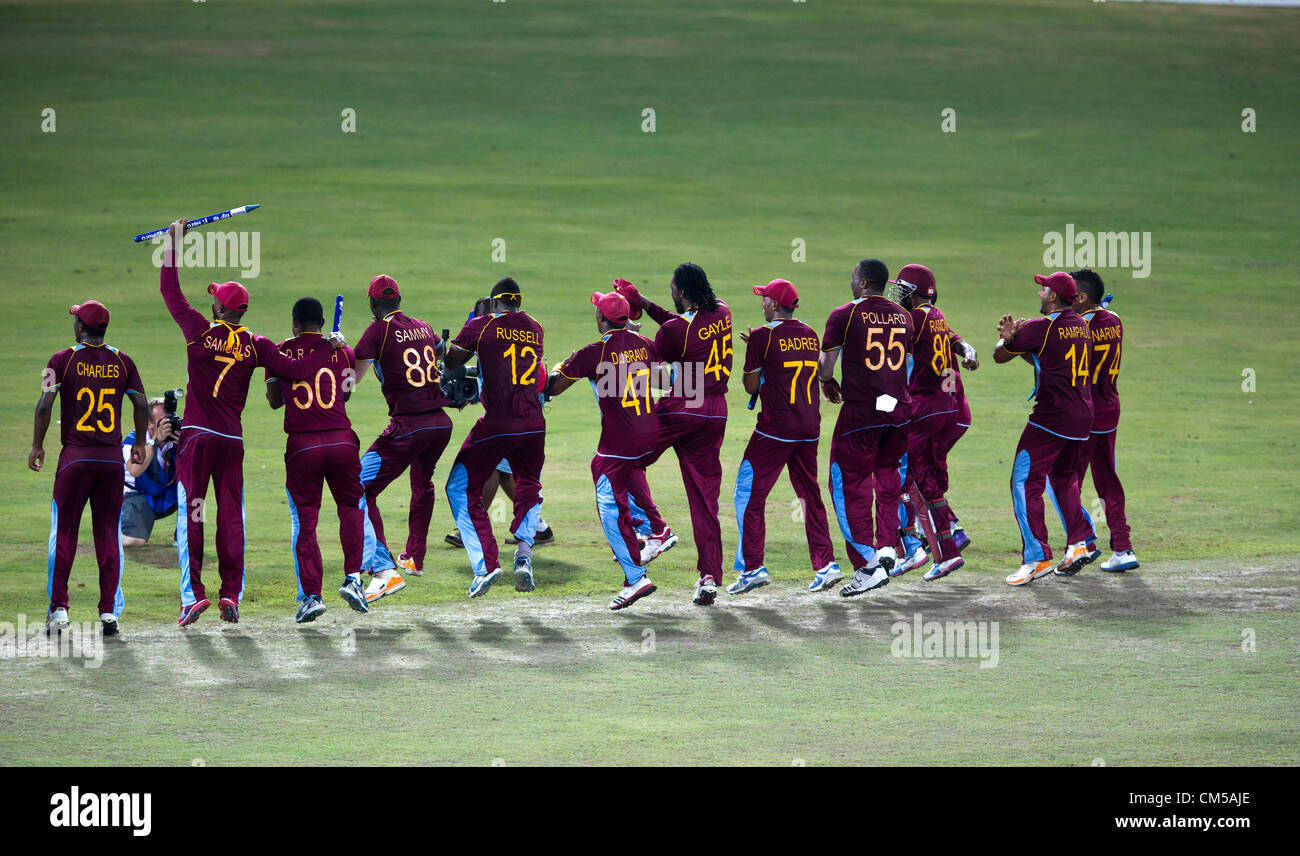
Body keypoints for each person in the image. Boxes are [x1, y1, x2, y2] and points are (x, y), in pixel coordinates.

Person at [159, 218, 345, 626]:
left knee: (192, 513)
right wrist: (330, 348)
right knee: (230, 517)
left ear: (219, 308)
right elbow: (297, 369)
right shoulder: (257, 344)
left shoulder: (198, 331)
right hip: (231, 441)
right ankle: (231, 595)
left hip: (197, 437)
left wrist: (172, 243)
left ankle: (193, 596)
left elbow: (169, 290)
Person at [612, 265, 731, 604]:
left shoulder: (673, 332)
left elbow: (654, 356)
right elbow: (678, 325)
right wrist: (644, 302)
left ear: (680, 293)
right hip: (717, 409)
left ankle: (654, 528)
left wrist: (631, 331)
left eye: (671, 289)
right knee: (704, 499)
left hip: (685, 402)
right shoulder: (722, 311)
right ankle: (709, 577)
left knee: (623, 458)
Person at [30, 300, 149, 636]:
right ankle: (109, 611)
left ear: (81, 327)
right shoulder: (122, 361)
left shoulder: (59, 360)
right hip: (110, 461)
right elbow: (140, 402)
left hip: (75, 459)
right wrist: (139, 442)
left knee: (64, 532)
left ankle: (60, 610)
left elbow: (44, 405)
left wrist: (37, 445)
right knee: (107, 534)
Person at [546, 291, 669, 610]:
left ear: (601, 319)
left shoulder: (594, 352)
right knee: (624, 481)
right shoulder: (644, 345)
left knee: (607, 500)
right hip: (649, 433)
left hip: (619, 442)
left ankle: (635, 576)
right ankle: (649, 531)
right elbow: (665, 379)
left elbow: (552, 389)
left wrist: (560, 366)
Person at [727, 279, 840, 595]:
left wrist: (755, 353)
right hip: (808, 430)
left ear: (775, 305)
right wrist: (761, 354)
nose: (761, 303)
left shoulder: (764, 336)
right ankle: (826, 565)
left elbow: (750, 386)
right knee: (809, 495)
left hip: (775, 431)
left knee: (748, 493)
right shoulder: (808, 332)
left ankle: (752, 568)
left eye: (764, 299)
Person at [266, 297, 371, 623]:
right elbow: (348, 392)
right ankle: (353, 578)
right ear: (323, 322)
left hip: (303, 447)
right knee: (350, 510)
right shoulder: (344, 351)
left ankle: (311, 596)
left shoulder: (281, 350)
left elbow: (274, 401)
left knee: (305, 522)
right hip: (342, 441)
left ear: (295, 322)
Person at [352, 274, 454, 603]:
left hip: (407, 426)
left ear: (373, 304)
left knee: (358, 485)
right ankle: (413, 558)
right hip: (440, 423)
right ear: (399, 300)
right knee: (422, 484)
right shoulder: (423, 327)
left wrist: (336, 351)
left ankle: (384, 571)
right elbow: (439, 351)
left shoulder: (377, 330)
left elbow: (349, 382)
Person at [443, 277, 547, 598]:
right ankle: (524, 557)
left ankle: (486, 565)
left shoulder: (482, 325)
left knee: (459, 487)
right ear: (517, 301)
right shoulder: (536, 328)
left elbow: (450, 363)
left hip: (498, 423)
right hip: (534, 424)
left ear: (494, 302)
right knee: (528, 486)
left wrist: (459, 340)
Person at [816, 259, 914, 597]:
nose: (851, 281)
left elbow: (827, 365)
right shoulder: (904, 315)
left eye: (853, 277)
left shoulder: (845, 314)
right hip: (898, 410)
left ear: (863, 282)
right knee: (887, 474)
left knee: (845, 484)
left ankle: (867, 566)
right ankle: (888, 547)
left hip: (863, 413)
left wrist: (827, 382)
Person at [993, 271, 1095, 585]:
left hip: (1052, 417)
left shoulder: (1042, 327)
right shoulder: (1080, 324)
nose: (1039, 293)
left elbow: (998, 356)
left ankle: (1037, 557)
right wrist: (1026, 345)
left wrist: (1008, 337)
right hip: (1083, 416)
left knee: (1023, 481)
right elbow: (1049, 360)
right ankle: (1079, 544)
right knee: (1064, 478)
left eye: (1043, 289)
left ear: (1053, 296)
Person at [889, 264, 971, 582]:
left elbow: (890, 359)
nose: (897, 294)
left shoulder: (911, 318)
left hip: (923, 409)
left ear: (912, 292)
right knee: (919, 481)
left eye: (902, 289)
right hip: (947, 408)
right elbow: (953, 339)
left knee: (901, 476)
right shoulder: (935, 315)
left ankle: (918, 549)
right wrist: (968, 351)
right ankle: (938, 547)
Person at [1064, 269, 1137, 573]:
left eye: (1069, 295)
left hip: (1084, 411)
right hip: (1110, 409)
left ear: (1081, 298)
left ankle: (1081, 545)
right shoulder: (1115, 320)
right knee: (1107, 479)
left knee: (1067, 481)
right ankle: (1122, 547)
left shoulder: (1078, 327)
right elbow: (1100, 321)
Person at [121, 397, 179, 548]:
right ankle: (108, 529)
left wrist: (186, 447)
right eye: (163, 422)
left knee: (196, 493)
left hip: (164, 494)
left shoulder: (174, 439)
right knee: (134, 541)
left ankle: (184, 535)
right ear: (150, 424)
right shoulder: (133, 440)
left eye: (170, 420)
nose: (168, 425)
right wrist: (155, 442)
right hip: (137, 495)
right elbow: (135, 471)